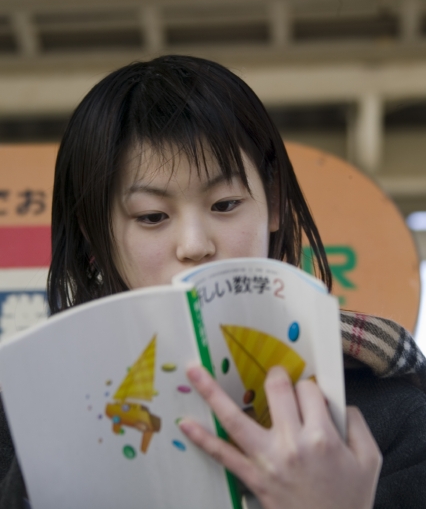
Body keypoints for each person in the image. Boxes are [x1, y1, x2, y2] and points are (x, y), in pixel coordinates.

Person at [0, 55, 425, 509]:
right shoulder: (28, 420)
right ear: (94, 233)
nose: (194, 244)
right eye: (152, 216)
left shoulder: (392, 416)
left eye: (224, 205)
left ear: (275, 201)